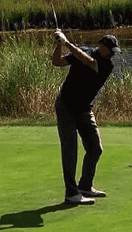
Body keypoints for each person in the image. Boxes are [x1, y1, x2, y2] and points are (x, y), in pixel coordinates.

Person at [52, 30, 122, 205]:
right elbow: (57, 62)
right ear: (101, 47)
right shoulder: (82, 51)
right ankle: (71, 194)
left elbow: (89, 61)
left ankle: (85, 186)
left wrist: (67, 43)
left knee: (95, 148)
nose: (113, 54)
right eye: (111, 50)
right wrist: (59, 45)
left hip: (84, 108)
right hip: (66, 105)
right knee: (70, 151)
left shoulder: (106, 65)